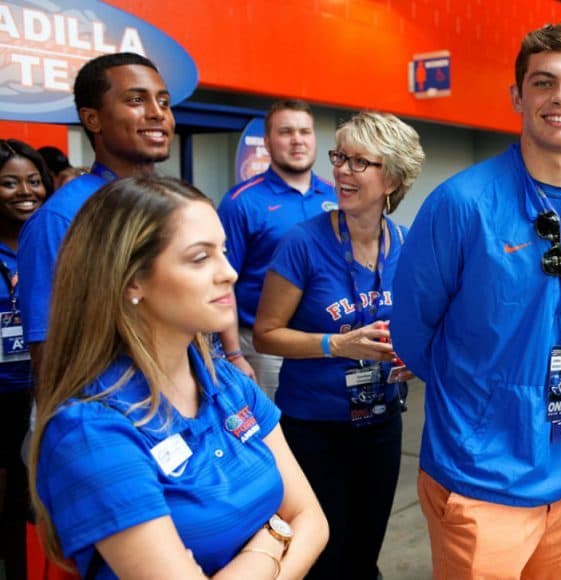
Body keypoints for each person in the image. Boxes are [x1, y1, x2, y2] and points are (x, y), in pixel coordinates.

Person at [391, 23, 561, 578]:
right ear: (518, 96)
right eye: (543, 82)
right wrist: (485, 398)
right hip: (478, 474)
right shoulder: (461, 204)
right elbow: (412, 330)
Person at [29, 176, 327, 579]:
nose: (230, 273)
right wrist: (273, 538)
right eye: (200, 258)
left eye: (222, 251)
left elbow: (313, 518)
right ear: (132, 279)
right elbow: (296, 523)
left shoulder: (226, 382)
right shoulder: (91, 430)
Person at [253, 111, 423, 579]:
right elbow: (265, 334)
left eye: (359, 162)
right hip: (314, 429)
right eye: (340, 158)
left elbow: (421, 325)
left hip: (382, 423)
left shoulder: (406, 245)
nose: (342, 171)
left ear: (392, 176)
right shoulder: (302, 243)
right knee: (322, 560)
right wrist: (336, 344)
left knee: (364, 555)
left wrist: (414, 355)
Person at [18, 52, 176, 375]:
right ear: (92, 119)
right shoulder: (62, 217)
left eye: (164, 102)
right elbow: (49, 350)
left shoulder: (178, 204)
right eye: (136, 100)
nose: (157, 113)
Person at [219, 100, 337, 399]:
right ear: (268, 142)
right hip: (264, 349)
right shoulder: (241, 202)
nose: (297, 140)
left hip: (327, 341)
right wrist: (233, 353)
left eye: (304, 131)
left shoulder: (337, 196)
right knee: (273, 437)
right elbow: (224, 282)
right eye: (286, 132)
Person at [0, 139, 52, 580]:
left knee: (28, 507)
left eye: (34, 181)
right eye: (9, 183)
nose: (25, 191)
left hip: (39, 393)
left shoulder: (54, 243)